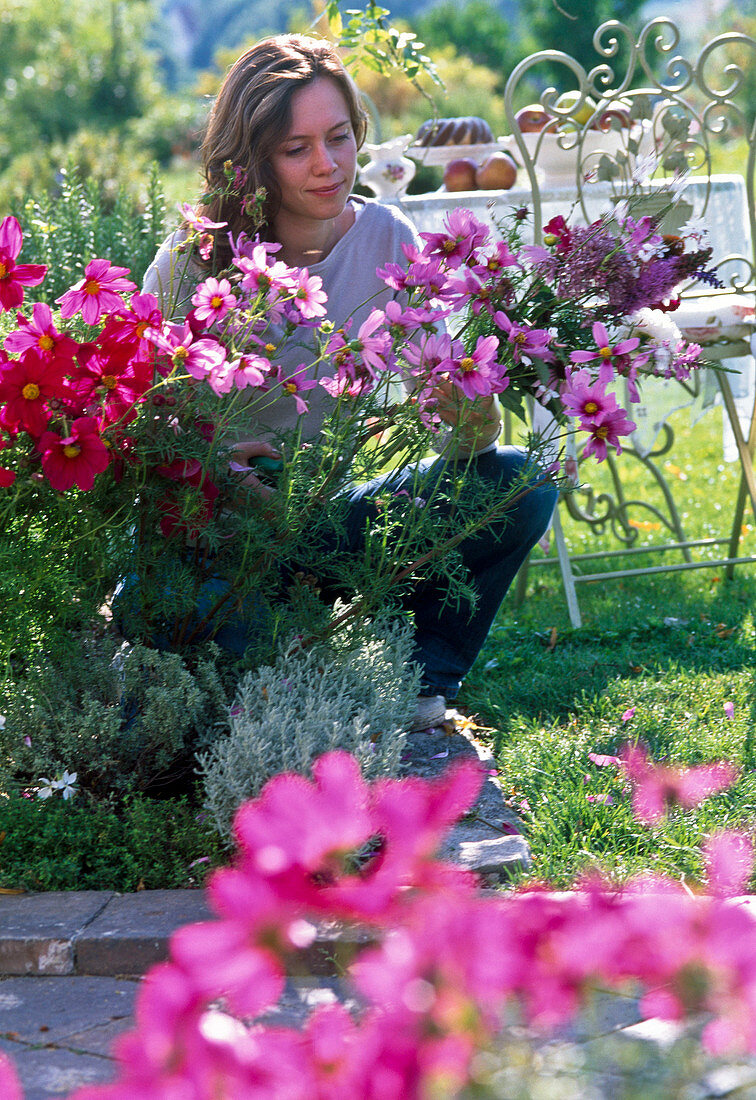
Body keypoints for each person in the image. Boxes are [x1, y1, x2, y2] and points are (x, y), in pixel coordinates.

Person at [142, 34, 557, 730]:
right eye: (296, 148)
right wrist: (214, 465)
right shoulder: (198, 256)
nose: (329, 165)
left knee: (521, 483)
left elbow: (445, 415)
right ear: (254, 158)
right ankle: (285, 656)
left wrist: (472, 420)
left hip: (329, 518)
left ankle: (416, 676)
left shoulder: (388, 236)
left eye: (339, 137)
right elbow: (143, 421)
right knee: (176, 627)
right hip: (222, 528)